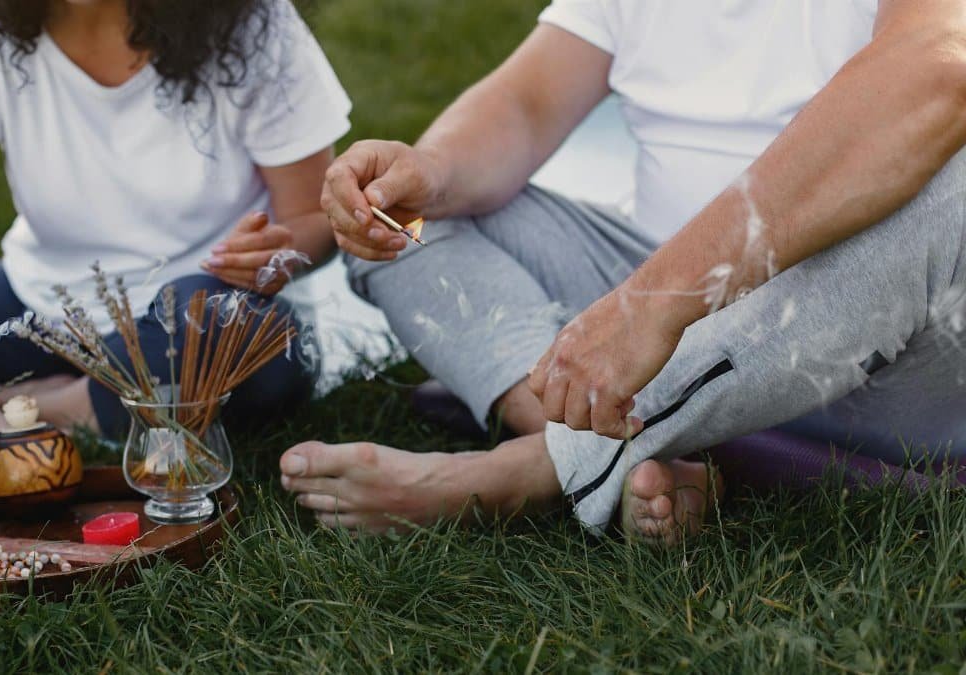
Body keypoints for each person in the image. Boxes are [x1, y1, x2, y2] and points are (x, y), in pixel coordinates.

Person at [280, 0, 966, 544]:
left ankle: (532, 470)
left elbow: (937, 71)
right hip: (661, 311)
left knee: (950, 178)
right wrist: (428, 174)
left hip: (877, 349)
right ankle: (649, 446)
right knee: (411, 225)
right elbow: (524, 105)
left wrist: (658, 301)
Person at [0, 0, 351, 512]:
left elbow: (314, 215)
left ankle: (26, 410)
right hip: (43, 315)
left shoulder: (253, 24)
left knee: (228, 328)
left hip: (198, 320)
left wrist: (279, 252)